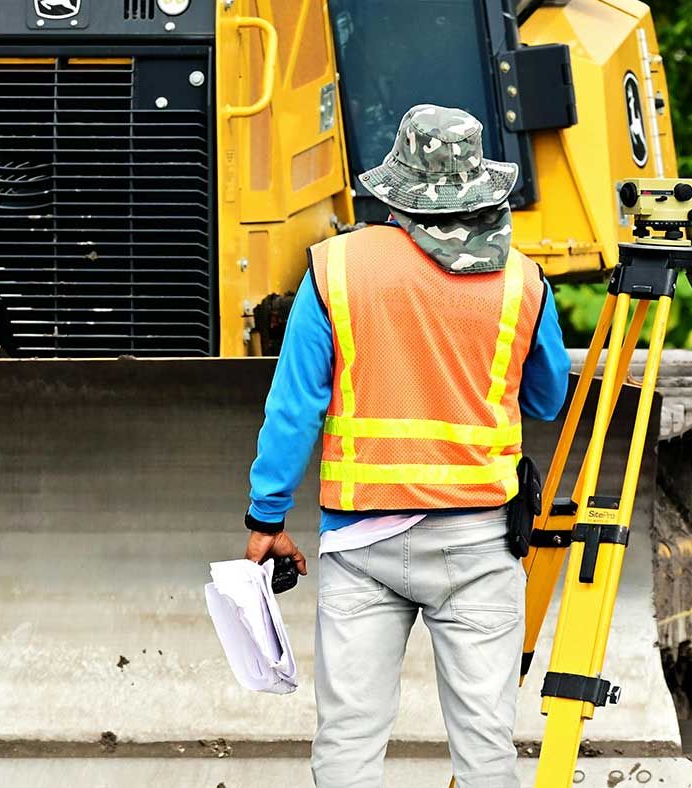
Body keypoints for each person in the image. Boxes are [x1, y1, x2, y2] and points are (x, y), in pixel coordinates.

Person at [242, 104, 572, 788]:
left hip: (359, 542)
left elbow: (294, 408)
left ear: (395, 190)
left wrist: (266, 516)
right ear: (478, 188)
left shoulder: (334, 269)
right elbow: (546, 400)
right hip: (479, 544)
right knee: (486, 748)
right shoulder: (523, 281)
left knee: (348, 741)